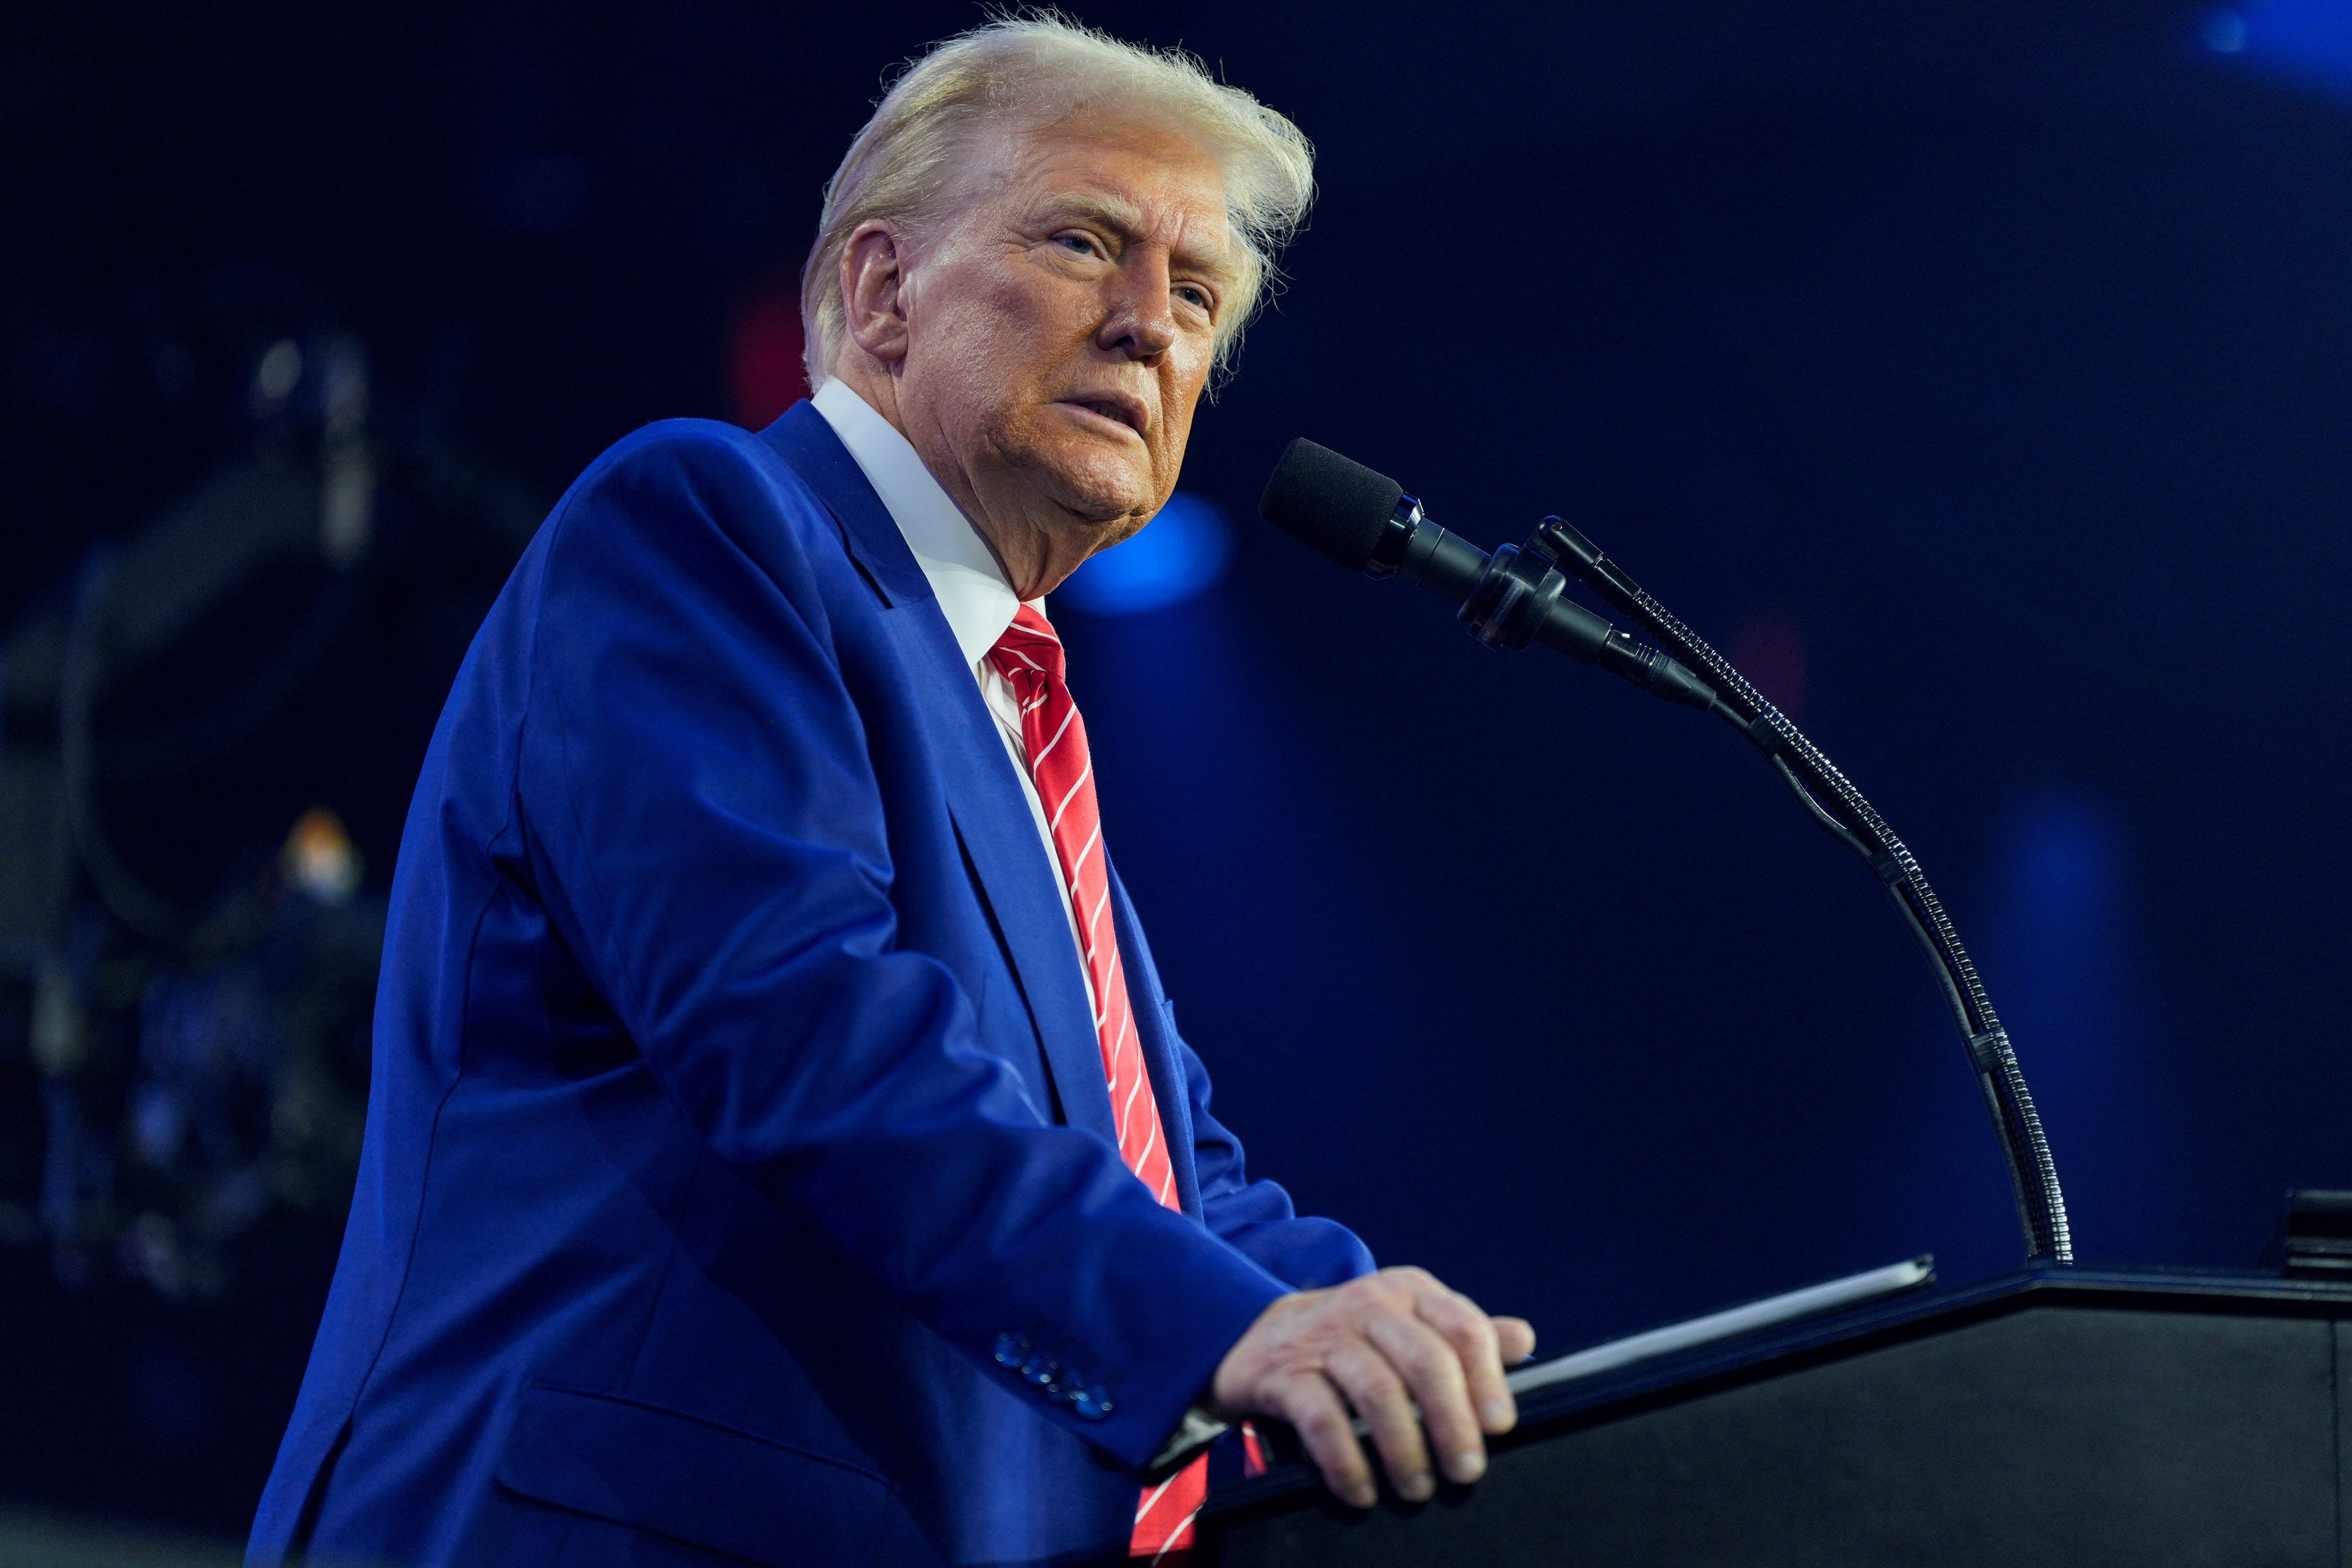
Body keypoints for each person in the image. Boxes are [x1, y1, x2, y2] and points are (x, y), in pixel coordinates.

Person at [248, 17, 1534, 1567]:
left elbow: (1172, 1184)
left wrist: (1402, 1343)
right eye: (1086, 243)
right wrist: (1227, 1333)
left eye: (1196, 296)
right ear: (881, 288)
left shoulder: (1012, 719)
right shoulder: (709, 527)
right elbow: (809, 1035)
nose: (1151, 327)